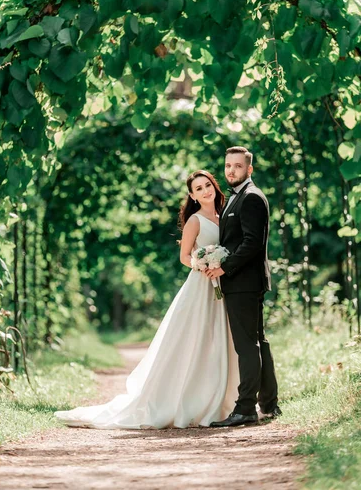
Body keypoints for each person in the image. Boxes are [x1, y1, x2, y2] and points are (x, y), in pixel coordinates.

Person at [55, 170, 239, 429]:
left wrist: (220, 262)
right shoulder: (195, 221)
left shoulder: (225, 216)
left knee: (222, 339)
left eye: (208, 185)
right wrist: (202, 263)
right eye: (199, 189)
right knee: (196, 339)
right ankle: (188, 399)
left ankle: (222, 398)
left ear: (214, 186)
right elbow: (185, 257)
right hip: (201, 286)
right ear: (192, 195)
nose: (206, 191)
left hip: (224, 284)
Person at [206, 146, 281, 427]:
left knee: (246, 346)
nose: (231, 171)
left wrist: (225, 266)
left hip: (244, 283)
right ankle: (270, 404)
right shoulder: (235, 198)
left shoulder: (251, 198)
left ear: (249, 170)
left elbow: (252, 243)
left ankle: (246, 408)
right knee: (258, 342)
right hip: (242, 282)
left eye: (237, 166)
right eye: (227, 165)